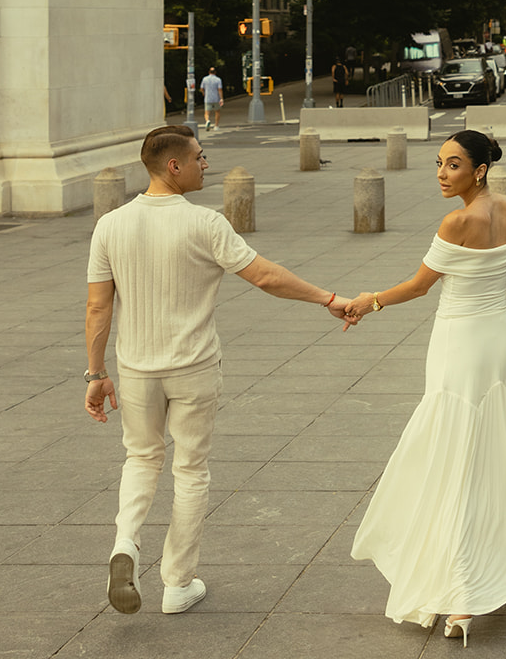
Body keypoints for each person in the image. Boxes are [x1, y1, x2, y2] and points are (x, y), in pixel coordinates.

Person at [85, 124, 352, 616]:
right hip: (193, 367)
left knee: (141, 459)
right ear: (174, 166)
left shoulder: (111, 225)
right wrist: (329, 299)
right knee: (190, 470)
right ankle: (176, 583)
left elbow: (98, 309)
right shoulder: (205, 224)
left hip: (136, 368)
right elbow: (266, 276)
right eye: (200, 157)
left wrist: (95, 374)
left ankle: (125, 544)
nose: (206, 164)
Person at [345, 129, 506, 645]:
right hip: (497, 341)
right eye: (439, 162)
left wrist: (370, 301)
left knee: (452, 458)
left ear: (478, 170)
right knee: (484, 456)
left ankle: (458, 592)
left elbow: (418, 285)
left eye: (453, 165)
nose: (441, 172)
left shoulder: (457, 220)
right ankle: (479, 573)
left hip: (458, 344)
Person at [199, 66, 222, 130]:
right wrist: (221, 98)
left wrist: (204, 94)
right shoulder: (218, 79)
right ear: (215, 72)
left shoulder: (204, 79)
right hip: (216, 98)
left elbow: (201, 88)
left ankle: (207, 121)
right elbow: (220, 89)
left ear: (209, 72)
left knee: (206, 112)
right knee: (217, 112)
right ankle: (216, 126)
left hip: (207, 98)